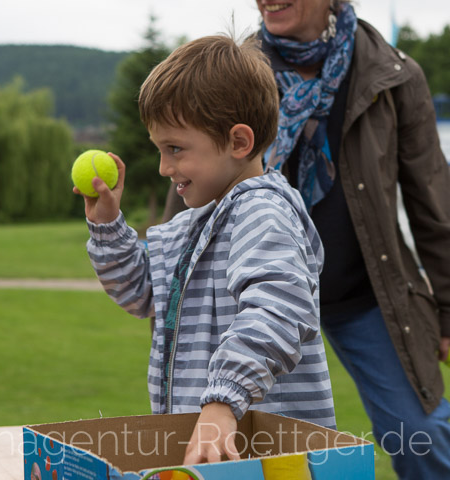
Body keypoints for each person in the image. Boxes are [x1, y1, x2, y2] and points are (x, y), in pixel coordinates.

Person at [161, 1, 450, 476]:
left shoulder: (394, 74)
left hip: (367, 296)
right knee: (239, 448)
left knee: (418, 432)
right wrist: (172, 288)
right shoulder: (230, 67)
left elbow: (432, 201)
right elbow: (188, 186)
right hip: (252, 303)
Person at [76, 35, 335, 464]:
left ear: (238, 142)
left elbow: (279, 310)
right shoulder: (192, 223)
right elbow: (140, 290)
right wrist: (106, 225)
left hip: (266, 454)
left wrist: (222, 400)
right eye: (160, 150)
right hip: (214, 448)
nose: (164, 168)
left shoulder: (263, 212)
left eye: (175, 149)